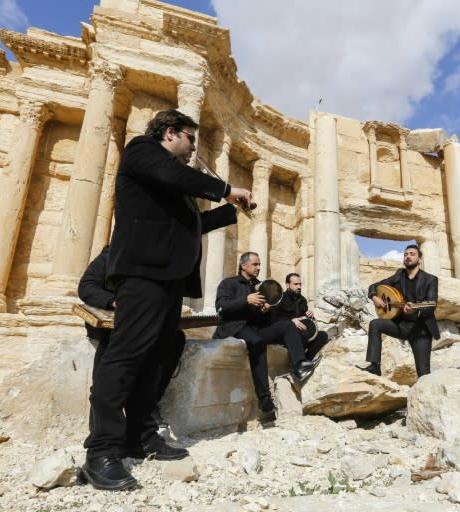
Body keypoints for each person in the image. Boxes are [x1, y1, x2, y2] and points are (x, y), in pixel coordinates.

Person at [81, 109, 253, 492]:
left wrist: (229, 211)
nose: (194, 149)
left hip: (167, 278)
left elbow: (189, 225)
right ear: (171, 133)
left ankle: (140, 436)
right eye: (191, 140)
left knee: (159, 354)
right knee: (124, 356)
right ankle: (101, 451)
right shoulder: (142, 151)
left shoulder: (170, 181)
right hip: (142, 272)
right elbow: (174, 175)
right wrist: (226, 188)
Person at [78, 246, 187, 432]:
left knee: (174, 339)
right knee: (115, 341)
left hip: (145, 321)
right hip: (112, 321)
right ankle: (101, 417)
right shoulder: (111, 254)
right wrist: (115, 301)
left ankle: (149, 406)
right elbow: (87, 287)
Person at [213, 252, 321, 415]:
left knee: (287, 325)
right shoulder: (229, 284)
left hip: (257, 328)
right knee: (256, 342)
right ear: (244, 266)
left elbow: (270, 318)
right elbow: (221, 308)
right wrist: (245, 300)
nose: (258, 268)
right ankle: (264, 399)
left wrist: (265, 311)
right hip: (235, 327)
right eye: (255, 264)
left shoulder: (262, 286)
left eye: (259, 264)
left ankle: (300, 364)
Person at [358, 244, 440, 378]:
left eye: (412, 254)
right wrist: (374, 297)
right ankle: (374, 367)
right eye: (406, 254)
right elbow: (375, 285)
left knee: (424, 373)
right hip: (401, 325)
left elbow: (431, 306)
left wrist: (414, 311)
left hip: (421, 330)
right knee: (375, 324)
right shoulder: (399, 275)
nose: (408, 256)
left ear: (419, 259)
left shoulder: (430, 280)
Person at [274, 273, 329, 360]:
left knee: (323, 335)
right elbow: (275, 319)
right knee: (300, 334)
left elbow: (305, 320)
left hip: (303, 333)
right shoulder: (280, 298)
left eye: (300, 284)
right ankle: (298, 362)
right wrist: (291, 321)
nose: (299, 287)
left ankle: (306, 360)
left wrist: (310, 315)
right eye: (295, 284)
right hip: (287, 334)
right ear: (287, 285)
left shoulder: (302, 300)